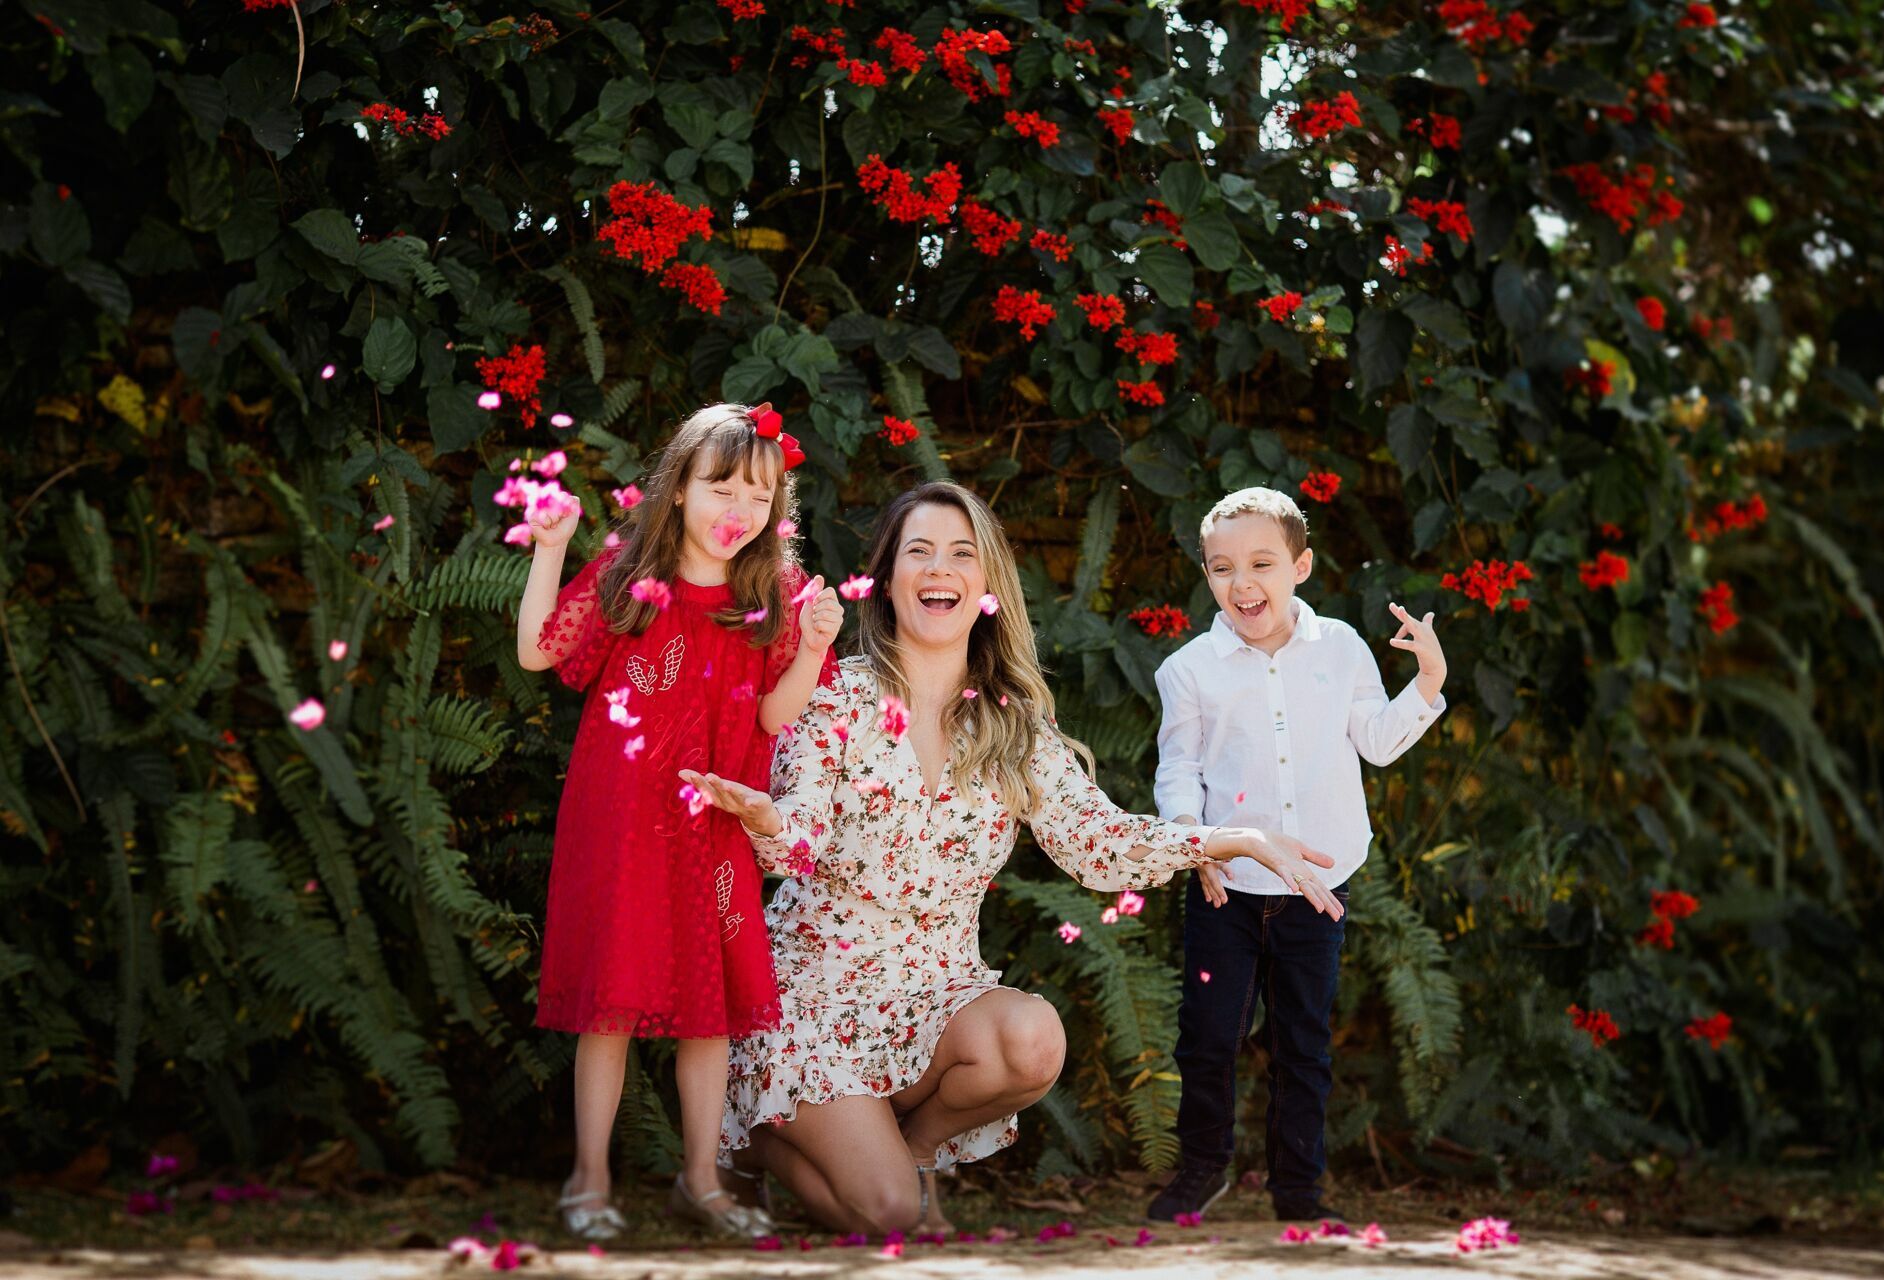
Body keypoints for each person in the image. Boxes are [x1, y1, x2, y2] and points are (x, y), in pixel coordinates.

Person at [678, 481, 1343, 1237]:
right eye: (918, 552)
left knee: (1032, 1040)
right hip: (815, 1006)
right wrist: (765, 816)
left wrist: (1235, 839)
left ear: (986, 585)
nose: (940, 569)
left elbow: (1100, 841)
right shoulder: (834, 696)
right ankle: (759, 1136)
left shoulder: (1012, 723)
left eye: (962, 554)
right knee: (896, 1218)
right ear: (888, 576)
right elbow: (792, 841)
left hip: (935, 1003)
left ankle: (910, 1151)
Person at [514, 403, 842, 1241]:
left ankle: (702, 1178)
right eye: (720, 486)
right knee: (611, 1008)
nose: (738, 510)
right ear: (679, 488)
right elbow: (539, 652)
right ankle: (588, 1177)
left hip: (715, 824)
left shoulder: (773, 597)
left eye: (759, 497)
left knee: (710, 1012)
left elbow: (774, 718)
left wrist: (810, 648)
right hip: (620, 820)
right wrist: (550, 551)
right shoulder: (628, 574)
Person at [1144, 486, 1449, 1225]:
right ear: (1207, 574)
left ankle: (1298, 1188)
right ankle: (1203, 1167)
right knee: (1209, 1037)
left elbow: (1376, 742)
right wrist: (1192, 842)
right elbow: (1179, 768)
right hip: (1227, 885)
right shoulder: (1189, 670)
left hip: (1320, 888)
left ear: (1300, 565)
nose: (1241, 583)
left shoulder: (1340, 648)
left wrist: (1430, 681)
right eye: (1221, 568)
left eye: (1260, 563)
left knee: (1302, 1043)